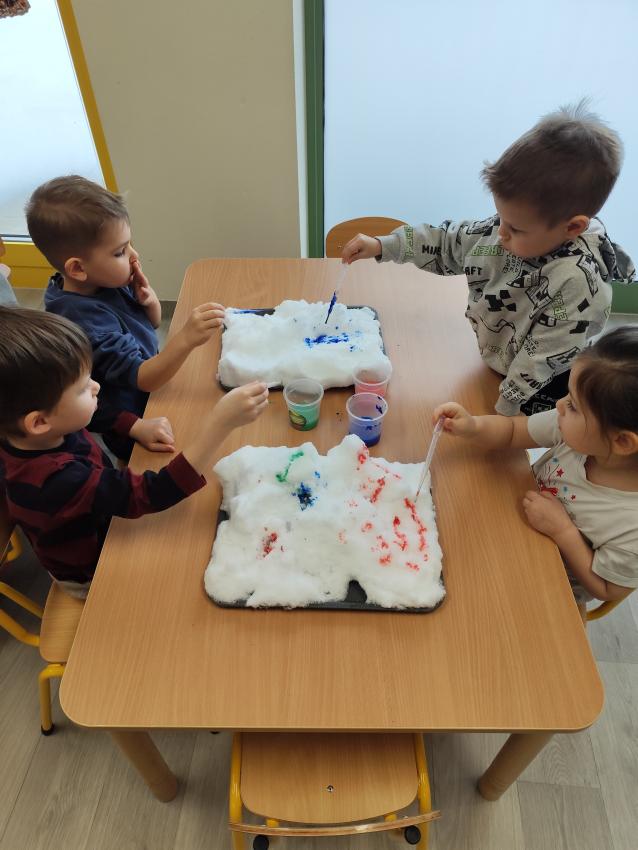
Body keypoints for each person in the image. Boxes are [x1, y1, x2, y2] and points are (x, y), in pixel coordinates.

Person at [342, 102, 635, 417]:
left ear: (573, 227)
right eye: (500, 217)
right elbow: (447, 242)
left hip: (541, 388)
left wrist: (502, 414)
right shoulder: (507, 230)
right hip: (495, 364)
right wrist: (383, 246)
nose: (501, 233)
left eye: (516, 228)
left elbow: (541, 359)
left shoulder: (576, 283)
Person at [0, 306, 268, 598]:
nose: (96, 386)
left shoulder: (31, 430)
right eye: (82, 388)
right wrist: (219, 424)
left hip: (99, 513)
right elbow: (154, 492)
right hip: (93, 569)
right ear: (39, 422)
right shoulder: (56, 481)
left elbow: (93, 413)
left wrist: (134, 425)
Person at [433, 325, 638, 610]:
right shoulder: (578, 433)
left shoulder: (631, 525)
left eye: (574, 406)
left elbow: (605, 588)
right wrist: (473, 426)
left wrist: (564, 532)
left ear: (623, 442)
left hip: (546, 589)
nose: (560, 405)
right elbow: (512, 431)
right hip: (511, 527)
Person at [26, 175, 225, 460]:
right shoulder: (84, 323)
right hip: (136, 423)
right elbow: (144, 378)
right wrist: (185, 339)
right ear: (78, 269)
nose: (134, 255)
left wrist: (148, 301)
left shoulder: (101, 281)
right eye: (120, 251)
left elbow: (151, 325)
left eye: (129, 244)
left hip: (154, 389)